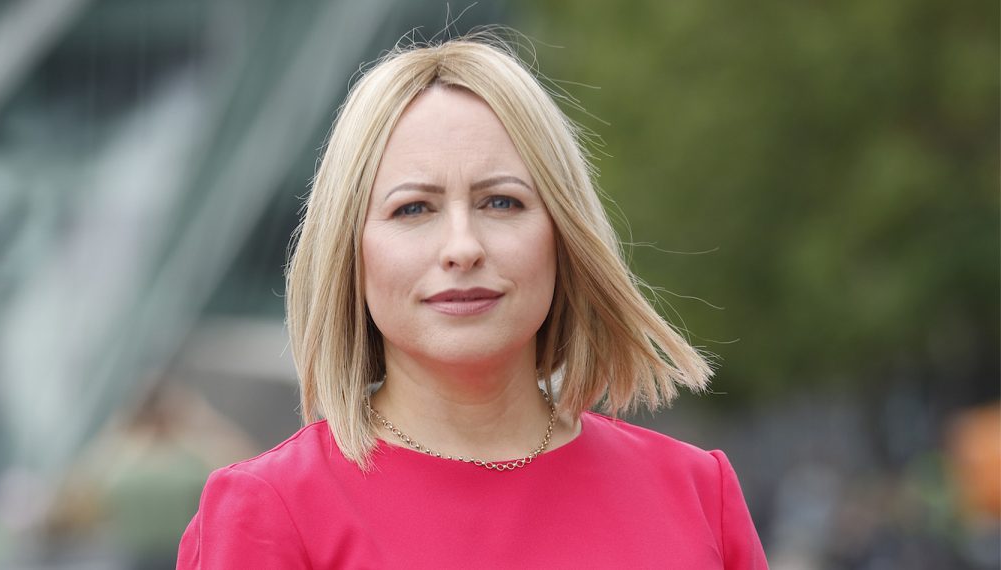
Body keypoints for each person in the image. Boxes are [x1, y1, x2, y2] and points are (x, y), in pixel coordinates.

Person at [177, 33, 767, 569]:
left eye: (501, 202)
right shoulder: (270, 510)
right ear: (350, 254)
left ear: (562, 236)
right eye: (413, 209)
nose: (462, 247)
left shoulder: (694, 491)